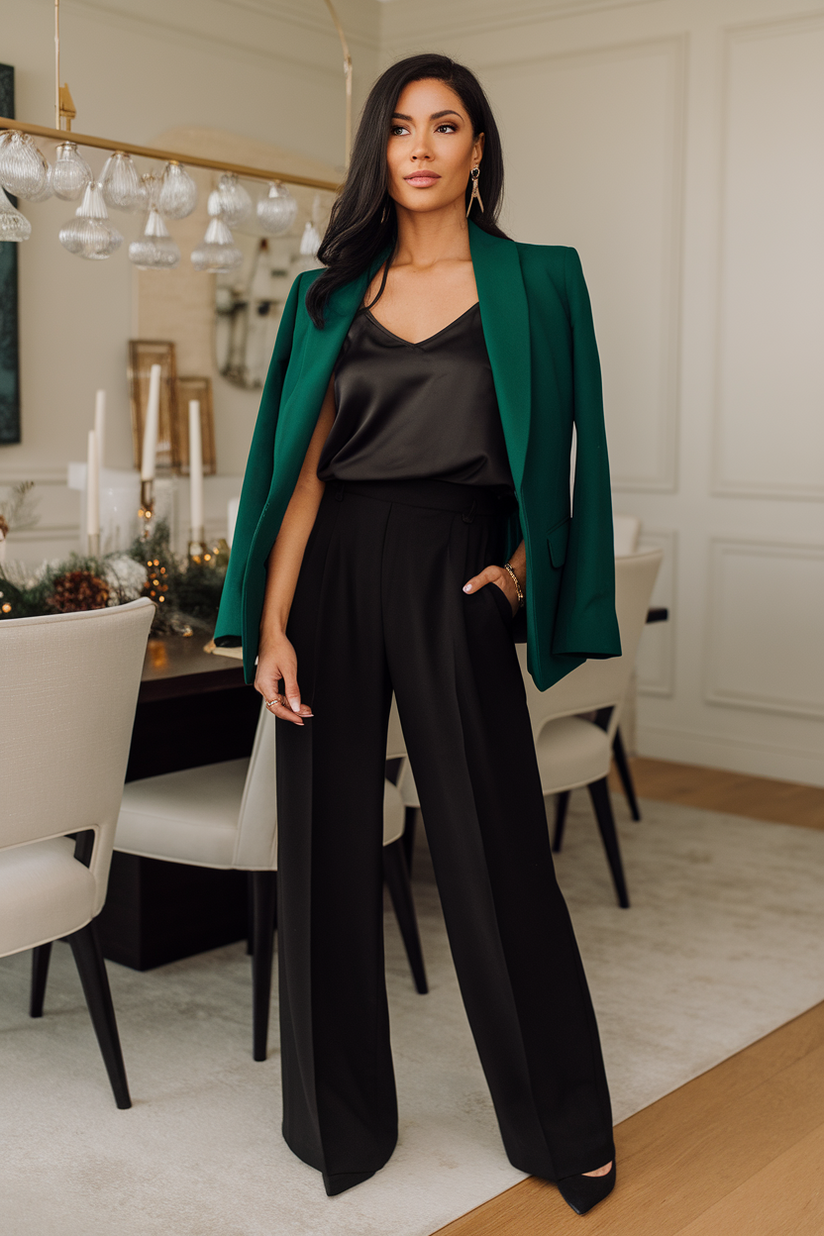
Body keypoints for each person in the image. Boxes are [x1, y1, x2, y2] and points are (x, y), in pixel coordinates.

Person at [215, 53, 620, 1215]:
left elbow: (569, 448)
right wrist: (275, 624)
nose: (422, 147)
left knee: (495, 856)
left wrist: (524, 564)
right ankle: (334, 1120)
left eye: (446, 126)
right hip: (334, 563)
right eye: (399, 129)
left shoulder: (541, 281)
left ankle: (558, 1120)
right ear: (377, 154)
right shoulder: (324, 294)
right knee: (327, 852)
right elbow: (299, 478)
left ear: (478, 148)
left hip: (454, 569)